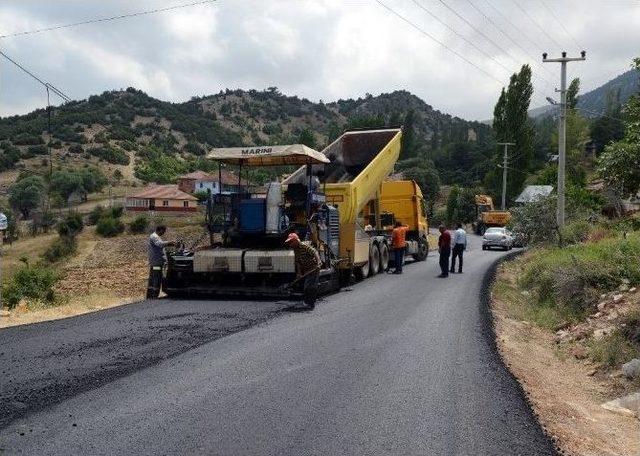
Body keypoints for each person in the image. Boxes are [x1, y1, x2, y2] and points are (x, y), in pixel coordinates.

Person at [285, 232, 321, 309]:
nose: (290, 244)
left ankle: (310, 303)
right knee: (308, 286)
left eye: (291, 242)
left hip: (314, 267)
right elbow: (298, 262)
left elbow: (315, 252)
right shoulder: (296, 250)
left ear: (295, 241)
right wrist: (299, 273)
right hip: (307, 269)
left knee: (310, 286)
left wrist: (318, 262)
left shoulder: (304, 246)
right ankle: (308, 302)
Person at [147, 225, 175, 299]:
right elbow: (160, 244)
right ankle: (153, 295)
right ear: (160, 230)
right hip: (156, 263)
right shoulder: (154, 236)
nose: (164, 233)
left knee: (155, 276)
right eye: (163, 231)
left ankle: (151, 295)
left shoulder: (155, 236)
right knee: (157, 277)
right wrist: (169, 242)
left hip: (156, 262)